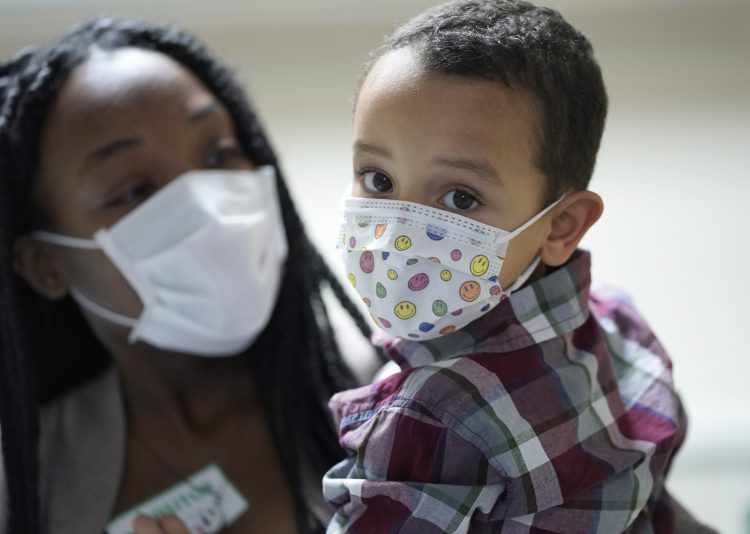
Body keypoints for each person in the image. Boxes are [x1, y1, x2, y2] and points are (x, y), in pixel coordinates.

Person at [323, 1, 714, 532]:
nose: (395, 237)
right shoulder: (619, 320)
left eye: (460, 198)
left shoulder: (427, 417)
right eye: (378, 179)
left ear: (561, 226)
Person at [0, 17, 378, 534]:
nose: (206, 208)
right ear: (47, 266)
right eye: (133, 190)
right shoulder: (28, 480)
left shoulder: (392, 388)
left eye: (220, 154)